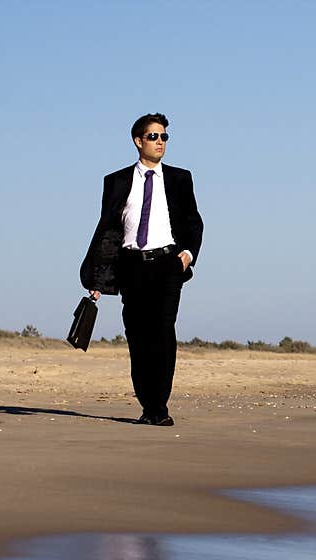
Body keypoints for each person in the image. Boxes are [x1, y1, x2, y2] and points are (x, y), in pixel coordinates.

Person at [80, 113, 203, 426]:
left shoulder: (180, 179)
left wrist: (187, 255)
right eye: (154, 137)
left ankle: (159, 408)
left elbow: (193, 222)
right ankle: (148, 405)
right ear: (138, 141)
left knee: (163, 334)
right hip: (131, 267)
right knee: (137, 337)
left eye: (164, 137)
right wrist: (98, 277)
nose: (160, 142)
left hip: (167, 265)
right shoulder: (117, 181)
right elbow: (108, 231)